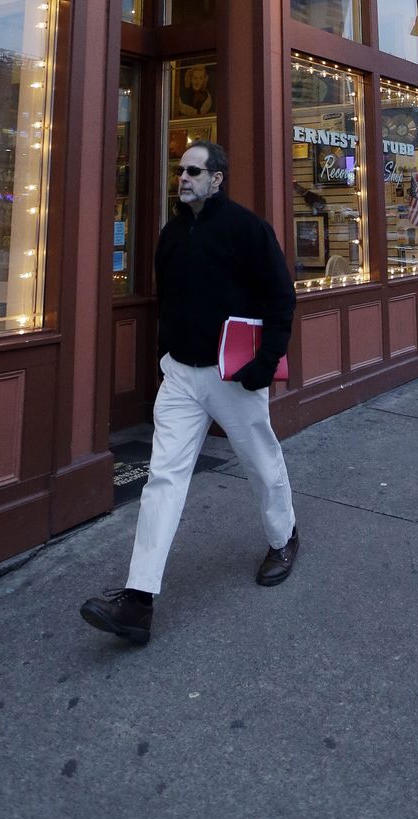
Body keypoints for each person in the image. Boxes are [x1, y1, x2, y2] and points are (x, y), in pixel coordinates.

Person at [80, 139, 297, 645]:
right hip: (179, 374)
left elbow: (280, 297)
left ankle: (283, 538)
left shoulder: (247, 229)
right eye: (180, 171)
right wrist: (164, 356)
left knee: (260, 462)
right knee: (163, 478)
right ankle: (138, 601)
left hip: (233, 374)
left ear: (217, 177)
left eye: (194, 171)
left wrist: (264, 365)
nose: (183, 179)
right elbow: (167, 300)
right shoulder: (171, 233)